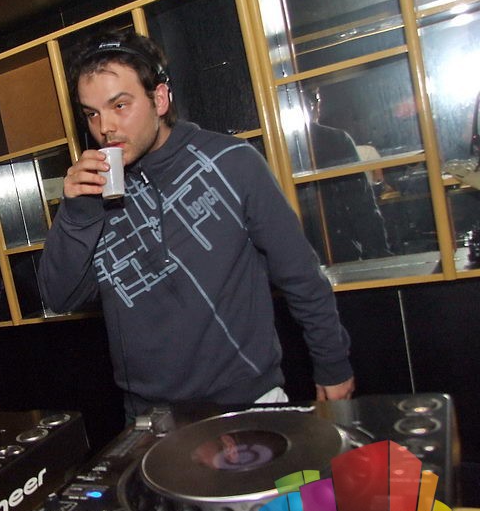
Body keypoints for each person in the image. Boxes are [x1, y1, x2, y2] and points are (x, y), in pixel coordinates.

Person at [37, 30, 355, 421]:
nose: (105, 127)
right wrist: (76, 214)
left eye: (120, 105)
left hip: (246, 403)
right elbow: (61, 298)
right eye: (92, 113)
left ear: (159, 99)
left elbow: (300, 274)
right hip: (149, 417)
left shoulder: (232, 162)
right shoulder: (94, 193)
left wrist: (332, 363)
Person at [301, 87, 393, 263]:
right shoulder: (334, 139)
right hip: (338, 244)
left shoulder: (270, 145)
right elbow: (360, 199)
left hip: (290, 251)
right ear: (314, 106)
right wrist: (378, 252)